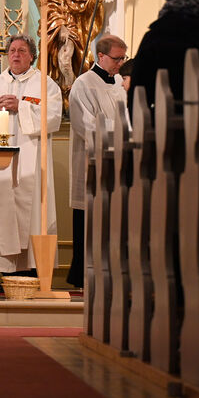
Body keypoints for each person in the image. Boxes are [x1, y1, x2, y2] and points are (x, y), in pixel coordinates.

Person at [0, 35, 62, 274]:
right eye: (12, 51)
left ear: (32, 56)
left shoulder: (45, 84)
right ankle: (6, 275)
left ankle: (32, 273)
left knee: (33, 213)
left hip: (32, 164)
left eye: (22, 51)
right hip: (1, 164)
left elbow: (53, 116)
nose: (16, 55)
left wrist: (22, 106)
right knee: (1, 212)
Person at [66, 33, 128, 288]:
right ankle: (84, 278)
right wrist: (123, 131)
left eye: (123, 58)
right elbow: (86, 125)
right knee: (89, 223)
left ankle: (111, 277)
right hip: (91, 162)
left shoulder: (120, 83)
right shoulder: (83, 84)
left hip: (118, 162)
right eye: (116, 58)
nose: (120, 63)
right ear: (100, 56)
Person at [44, 0, 106, 109]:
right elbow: (47, 8)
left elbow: (87, 4)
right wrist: (60, 26)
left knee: (65, 61)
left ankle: (72, 95)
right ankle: (63, 98)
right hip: (54, 29)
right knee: (56, 66)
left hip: (73, 27)